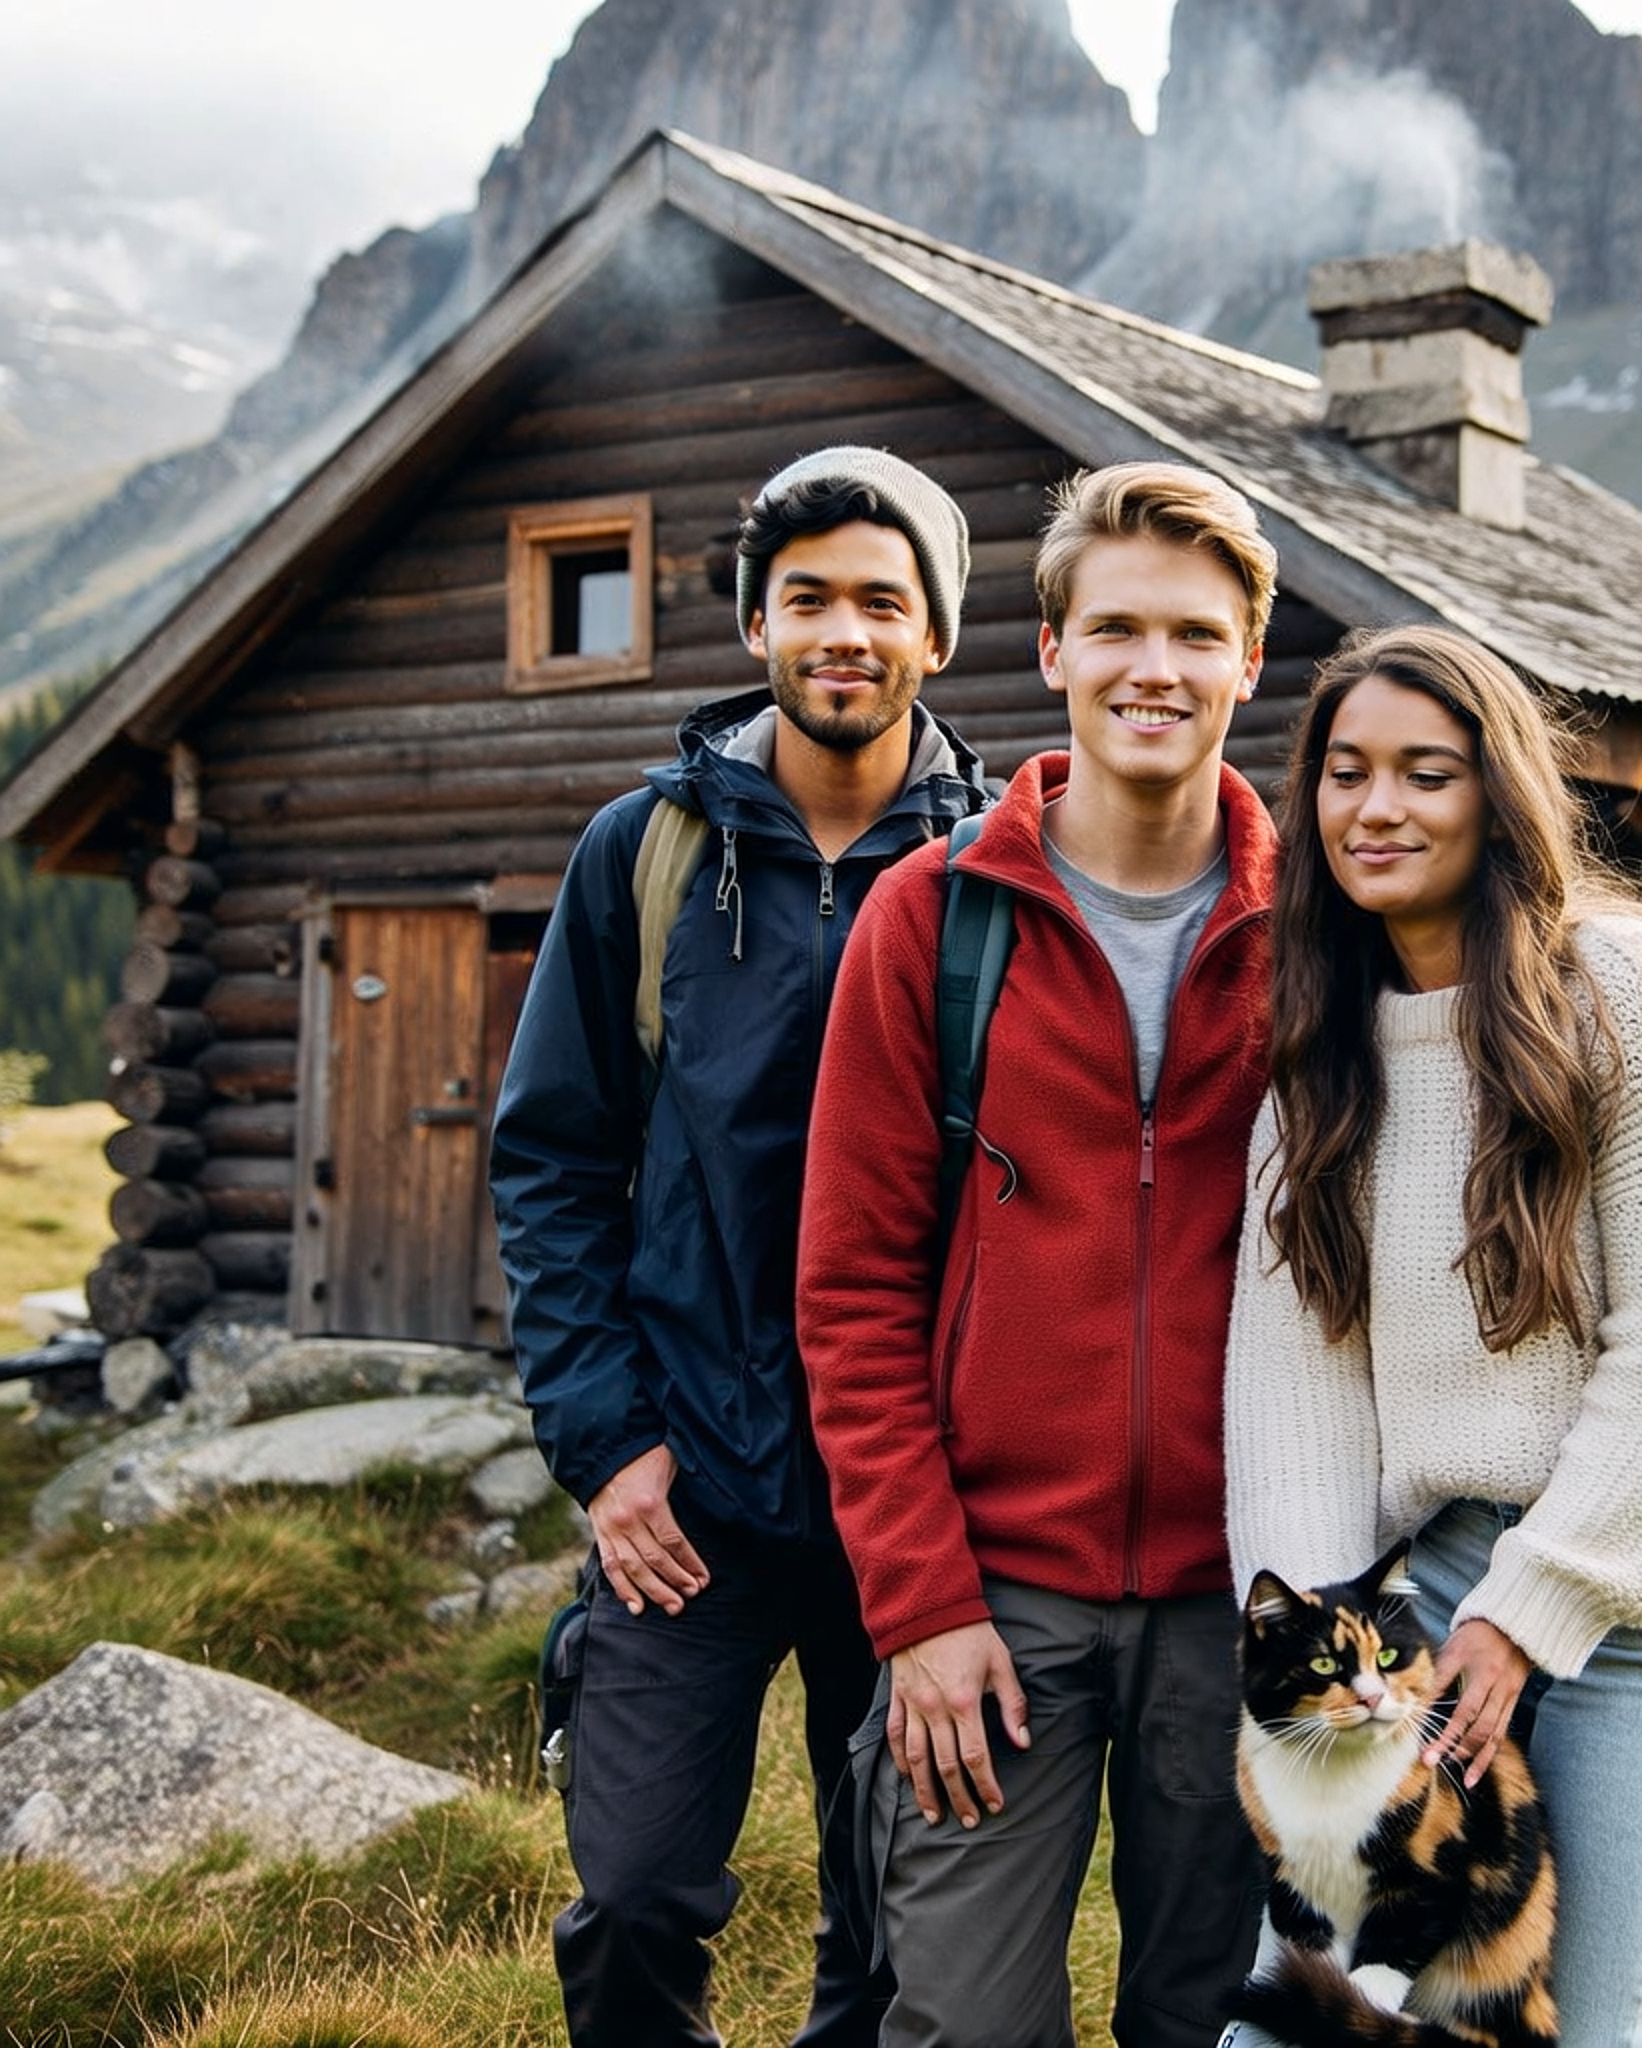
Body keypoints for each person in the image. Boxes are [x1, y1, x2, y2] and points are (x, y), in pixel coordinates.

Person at [1222, 623, 1642, 2048]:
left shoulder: (1619, 993)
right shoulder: (1321, 1056)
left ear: (1498, 795)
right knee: (1314, 2010)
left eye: (1426, 774)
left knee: (1573, 2025)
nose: (1378, 809)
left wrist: (1533, 1615)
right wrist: (1313, 1654)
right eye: (1346, 774)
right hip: (1423, 1605)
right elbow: (1296, 1387)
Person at [490, 445, 987, 2048]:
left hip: (907, 1493)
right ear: (757, 627)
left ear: (939, 636)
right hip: (682, 1493)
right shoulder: (641, 853)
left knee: (900, 1922)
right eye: (809, 599)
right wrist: (607, 1445)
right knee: (632, 1899)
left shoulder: (994, 877)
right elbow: (554, 1163)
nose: (845, 631)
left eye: (882, 602)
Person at [797, 462, 1280, 2048]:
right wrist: (922, 1609)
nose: (1159, 668)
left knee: (1215, 2025)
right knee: (968, 2028)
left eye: (1197, 635)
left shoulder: (1324, 935)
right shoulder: (935, 922)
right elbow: (855, 1300)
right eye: (1120, 628)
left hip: (1249, 1595)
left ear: (1249, 663)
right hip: (991, 1604)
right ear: (1052, 648)